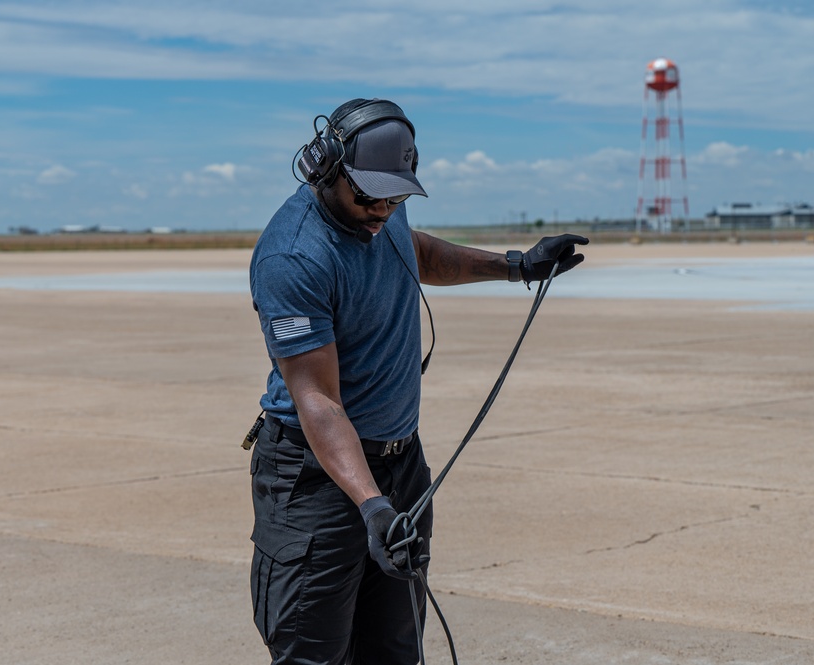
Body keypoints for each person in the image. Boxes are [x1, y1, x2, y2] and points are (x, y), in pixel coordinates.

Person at [247, 97, 587, 665]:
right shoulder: (293, 256)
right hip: (316, 479)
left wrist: (517, 266)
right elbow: (319, 402)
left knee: (396, 650)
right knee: (313, 652)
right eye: (369, 195)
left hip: (401, 467)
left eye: (396, 195)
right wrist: (372, 506)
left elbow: (417, 250)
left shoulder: (382, 202)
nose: (383, 208)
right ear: (326, 166)